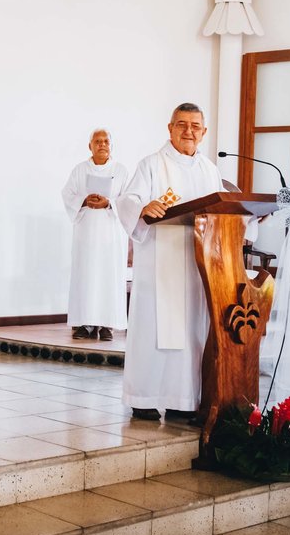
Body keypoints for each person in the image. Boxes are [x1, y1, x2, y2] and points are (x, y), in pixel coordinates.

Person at [116, 103, 222, 421]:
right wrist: (143, 207)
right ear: (170, 128)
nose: (188, 131)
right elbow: (128, 200)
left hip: (196, 263)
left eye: (195, 126)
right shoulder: (151, 164)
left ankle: (182, 399)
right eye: (182, 124)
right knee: (154, 327)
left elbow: (223, 206)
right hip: (160, 259)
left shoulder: (209, 170)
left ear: (204, 132)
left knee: (191, 331)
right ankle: (144, 396)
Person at [61, 129, 129, 341]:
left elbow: (128, 199)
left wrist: (109, 202)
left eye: (106, 141)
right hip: (86, 233)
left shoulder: (121, 171)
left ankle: (107, 325)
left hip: (111, 234)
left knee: (108, 277)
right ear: (89, 146)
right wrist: (84, 199)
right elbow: (67, 194)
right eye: (97, 141)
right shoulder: (80, 170)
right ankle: (84, 325)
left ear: (111, 145)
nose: (102, 144)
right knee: (86, 276)